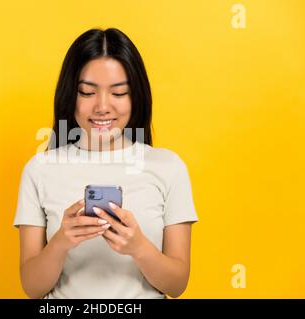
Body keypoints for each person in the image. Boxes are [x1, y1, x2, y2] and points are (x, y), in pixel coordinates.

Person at [13, 28, 199, 299]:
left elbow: (177, 284)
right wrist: (61, 242)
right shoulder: (39, 169)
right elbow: (31, 287)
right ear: (70, 95)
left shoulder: (168, 167)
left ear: (136, 97)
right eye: (87, 93)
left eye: (119, 93)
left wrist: (138, 247)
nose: (102, 106)